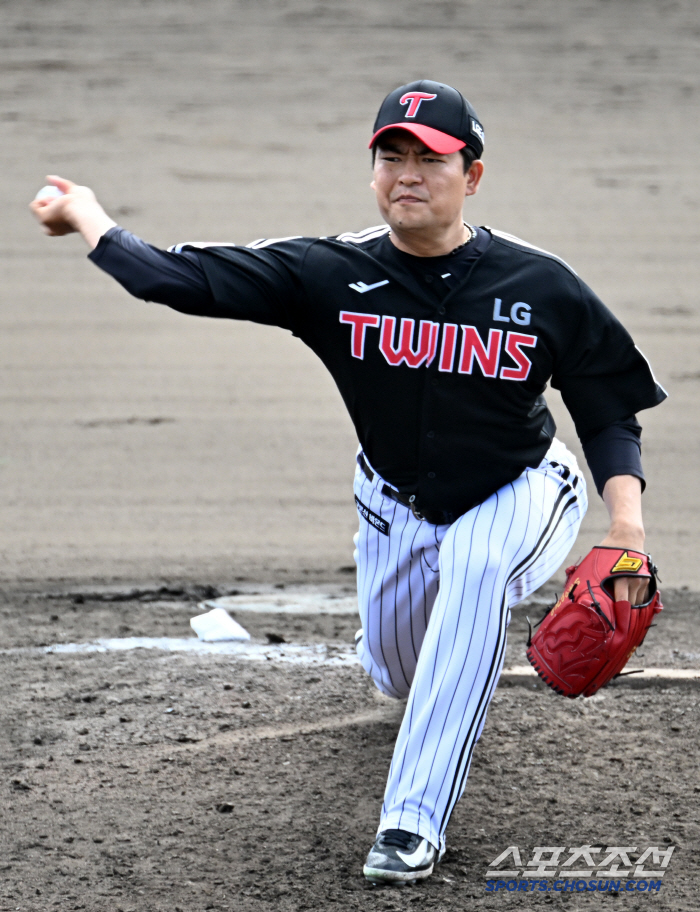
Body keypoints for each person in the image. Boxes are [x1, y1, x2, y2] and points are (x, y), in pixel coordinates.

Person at [30, 79, 666, 885]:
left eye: (430, 159)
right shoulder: (328, 272)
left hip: (522, 490)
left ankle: (412, 823)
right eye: (391, 156)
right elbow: (171, 278)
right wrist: (85, 214)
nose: (407, 174)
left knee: (475, 574)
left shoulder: (541, 286)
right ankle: (420, 663)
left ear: (471, 176)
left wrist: (626, 529)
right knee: (398, 675)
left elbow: (609, 406)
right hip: (393, 503)